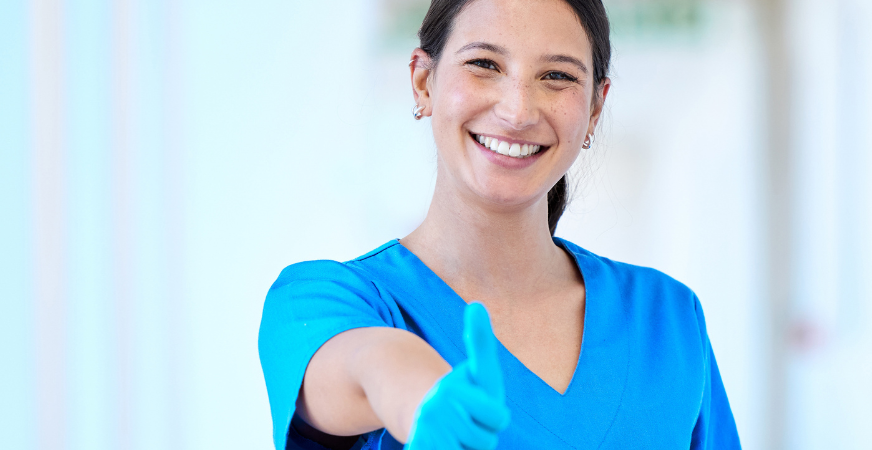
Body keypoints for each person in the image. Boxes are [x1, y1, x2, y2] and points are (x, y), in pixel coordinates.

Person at [257, 0, 741, 448]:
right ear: (423, 81)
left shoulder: (668, 320)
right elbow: (367, 365)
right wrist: (425, 399)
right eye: (484, 64)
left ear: (595, 108)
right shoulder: (323, 301)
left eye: (556, 75)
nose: (517, 112)